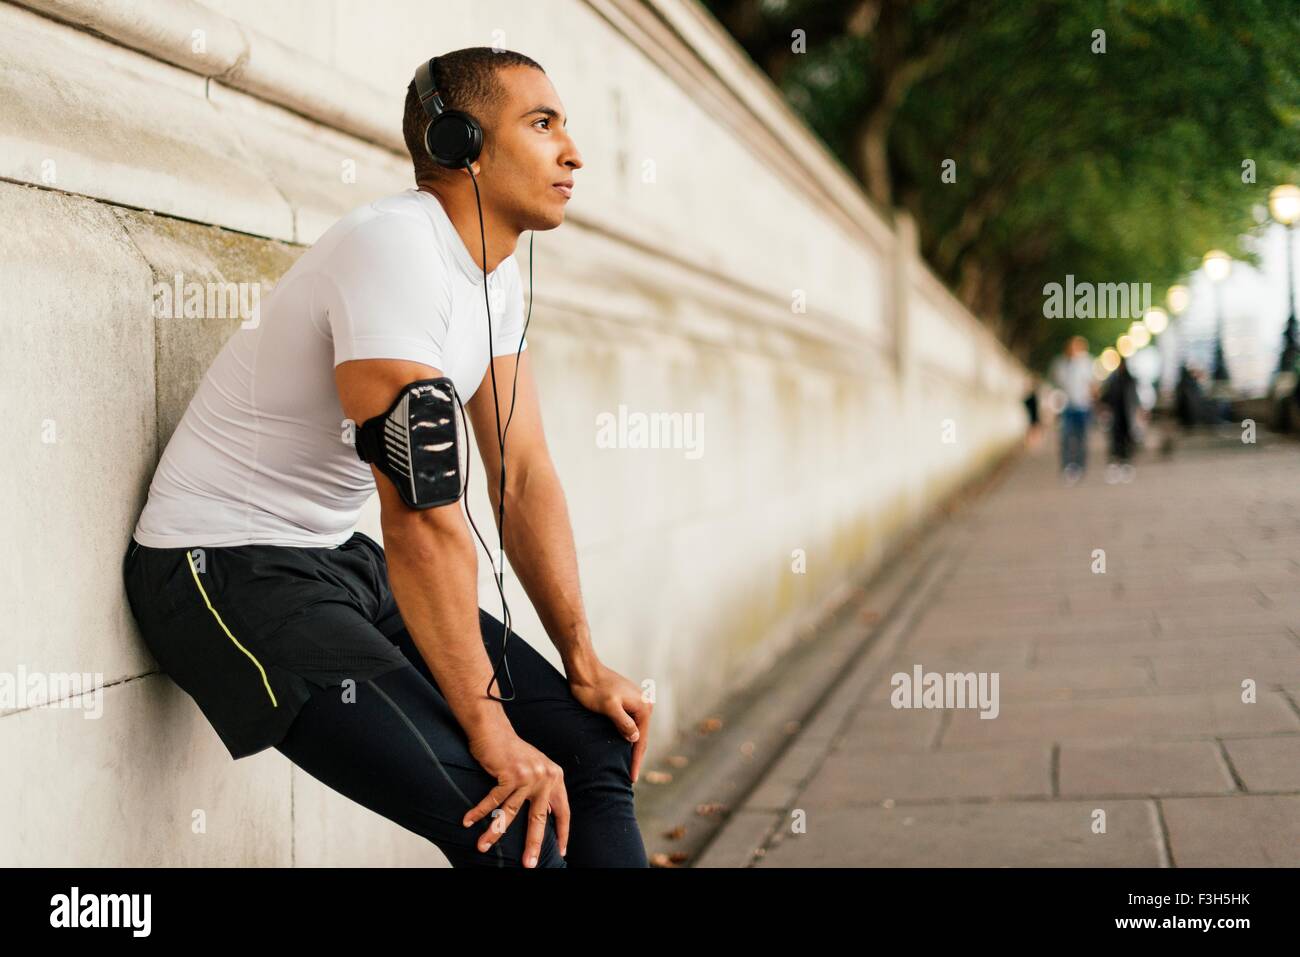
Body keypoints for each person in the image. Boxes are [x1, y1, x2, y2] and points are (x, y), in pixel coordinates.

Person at [122, 48, 650, 868]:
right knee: (506, 814)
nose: (572, 152)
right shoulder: (393, 251)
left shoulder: (494, 279)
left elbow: (522, 475)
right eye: (542, 124)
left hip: (343, 564)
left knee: (590, 741)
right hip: (225, 569)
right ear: (458, 139)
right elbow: (421, 510)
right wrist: (492, 730)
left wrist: (582, 662)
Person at [1048, 335, 1095, 482]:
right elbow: (1055, 384)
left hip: (1082, 406)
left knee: (1081, 438)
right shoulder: (1059, 364)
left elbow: (1092, 385)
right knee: (1065, 438)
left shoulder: (1087, 363)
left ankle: (1080, 467)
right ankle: (1067, 467)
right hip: (1066, 406)